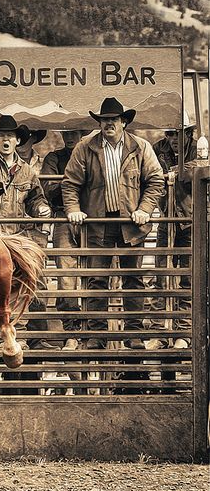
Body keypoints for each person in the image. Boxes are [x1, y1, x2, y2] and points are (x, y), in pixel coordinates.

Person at [62, 97, 164, 350]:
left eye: (114, 120)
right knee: (97, 278)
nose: (109, 124)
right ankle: (96, 334)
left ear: (124, 122)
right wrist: (74, 210)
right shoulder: (86, 147)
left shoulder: (140, 147)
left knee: (133, 279)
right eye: (105, 120)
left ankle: (134, 333)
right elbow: (70, 183)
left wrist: (144, 209)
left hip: (131, 223)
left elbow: (156, 181)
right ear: (99, 122)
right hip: (98, 222)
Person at [0, 115, 55, 351]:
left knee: (18, 284)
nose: (5, 140)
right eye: (1, 136)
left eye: (9, 136)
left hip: (15, 236)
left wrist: (41, 208)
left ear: (17, 141)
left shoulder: (27, 172)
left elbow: (35, 198)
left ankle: (16, 335)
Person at [146, 112, 197, 350]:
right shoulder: (157, 149)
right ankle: (160, 331)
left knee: (188, 278)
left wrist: (179, 170)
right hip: (166, 220)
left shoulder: (198, 150)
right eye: (169, 133)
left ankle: (183, 332)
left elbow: (201, 170)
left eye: (178, 133)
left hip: (190, 219)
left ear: (188, 134)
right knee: (161, 276)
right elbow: (150, 175)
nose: (173, 138)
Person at [41, 130, 86, 349]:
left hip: (91, 218)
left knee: (95, 273)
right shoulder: (54, 158)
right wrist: (74, 181)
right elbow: (49, 191)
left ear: (82, 135)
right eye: (66, 132)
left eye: (74, 132)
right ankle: (73, 331)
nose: (69, 137)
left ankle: (97, 329)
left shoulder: (92, 154)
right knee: (66, 275)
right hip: (63, 216)